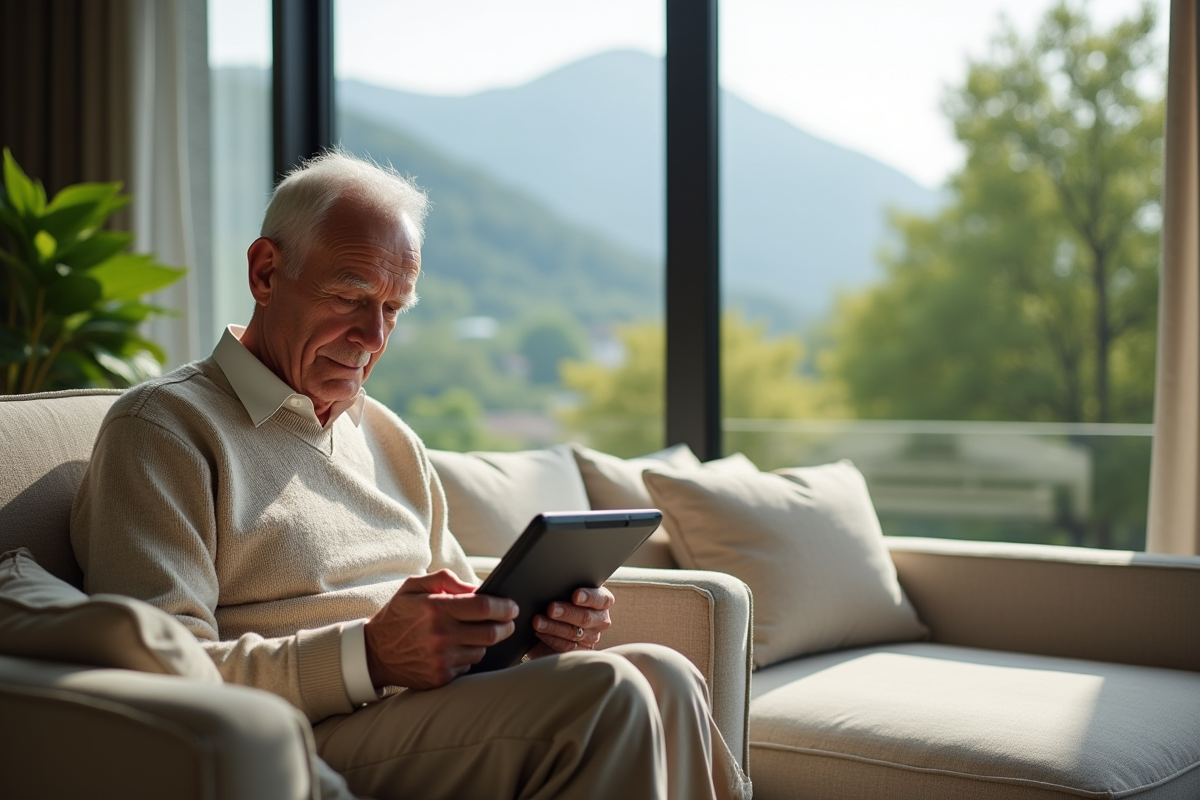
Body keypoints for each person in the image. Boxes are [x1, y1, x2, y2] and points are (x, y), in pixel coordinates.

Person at [70, 150, 750, 800]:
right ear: (266, 273)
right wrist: (367, 656)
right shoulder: (164, 429)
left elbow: (461, 616)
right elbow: (160, 671)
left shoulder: (389, 436)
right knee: (611, 692)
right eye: (350, 295)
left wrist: (532, 638)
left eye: (393, 309)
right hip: (304, 733)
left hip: (426, 714)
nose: (373, 338)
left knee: (666, 673)